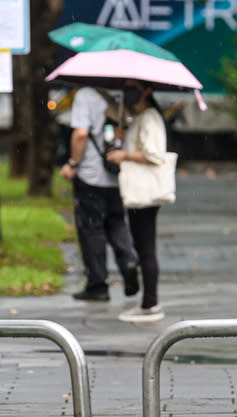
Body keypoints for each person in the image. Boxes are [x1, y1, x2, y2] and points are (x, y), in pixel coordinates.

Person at [60, 86, 139, 302]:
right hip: (115, 173)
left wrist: (72, 163)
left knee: (91, 229)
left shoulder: (85, 95)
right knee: (117, 222)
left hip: (91, 175)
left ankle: (97, 285)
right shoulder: (121, 93)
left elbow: (81, 133)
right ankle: (129, 261)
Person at [107, 80, 168, 323]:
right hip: (136, 193)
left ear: (147, 91)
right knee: (142, 246)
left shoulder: (150, 118)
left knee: (146, 247)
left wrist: (124, 154)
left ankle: (151, 303)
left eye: (134, 87)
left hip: (145, 194)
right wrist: (121, 140)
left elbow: (155, 154)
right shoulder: (140, 118)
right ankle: (147, 302)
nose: (128, 92)